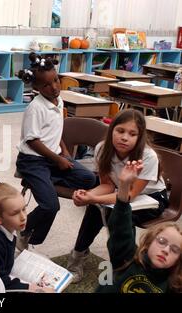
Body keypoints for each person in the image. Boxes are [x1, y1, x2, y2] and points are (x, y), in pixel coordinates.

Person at [68, 109, 169, 283]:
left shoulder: (147, 156)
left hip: (151, 198)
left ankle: (125, 265)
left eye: (132, 134)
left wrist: (94, 199)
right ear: (112, 129)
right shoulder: (101, 148)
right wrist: (87, 195)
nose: (124, 137)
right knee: (95, 209)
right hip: (120, 193)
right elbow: (107, 185)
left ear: (140, 137)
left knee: (118, 215)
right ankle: (78, 254)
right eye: (120, 131)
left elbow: (128, 195)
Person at [16, 53, 96, 249]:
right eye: (46, 85)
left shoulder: (58, 101)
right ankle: (24, 231)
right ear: (36, 88)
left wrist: (65, 153)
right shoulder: (36, 108)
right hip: (32, 161)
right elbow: (33, 141)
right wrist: (58, 159)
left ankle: (45, 184)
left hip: (52, 158)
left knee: (89, 179)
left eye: (56, 80)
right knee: (51, 206)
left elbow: (56, 130)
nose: (54, 87)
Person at [97, 160, 182, 293]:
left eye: (175, 250)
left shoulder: (173, 284)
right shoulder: (127, 257)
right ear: (149, 242)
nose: (166, 250)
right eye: (161, 241)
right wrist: (124, 186)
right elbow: (121, 228)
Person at [0, 183, 54, 293]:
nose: (23, 217)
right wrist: (34, 288)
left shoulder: (7, 229)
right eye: (15, 213)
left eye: (24, 209)